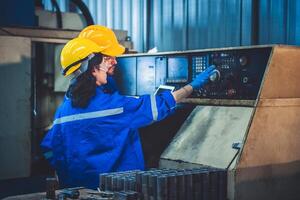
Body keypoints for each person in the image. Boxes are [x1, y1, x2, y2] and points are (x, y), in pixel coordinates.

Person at [41, 27, 216, 189]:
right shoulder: (113, 107)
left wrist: (66, 176)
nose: (115, 62)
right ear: (93, 65)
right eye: (109, 58)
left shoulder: (63, 111)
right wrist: (192, 86)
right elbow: (156, 106)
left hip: (78, 190)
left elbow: (49, 148)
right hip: (117, 190)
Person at [78, 25, 121, 93]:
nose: (115, 62)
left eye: (114, 57)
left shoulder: (108, 81)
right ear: (93, 60)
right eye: (108, 58)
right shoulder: (86, 93)